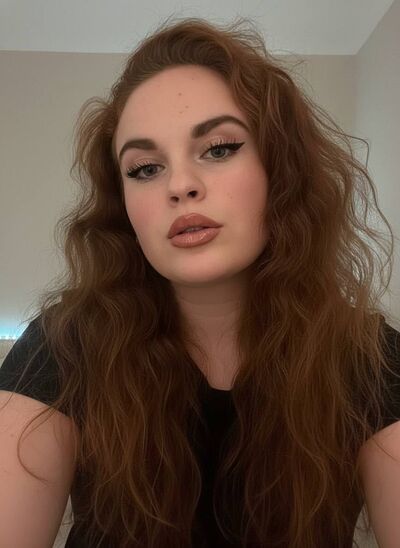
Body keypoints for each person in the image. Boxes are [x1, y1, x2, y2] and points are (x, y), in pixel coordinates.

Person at [0, 15, 399, 548]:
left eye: (219, 148)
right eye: (145, 168)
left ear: (280, 170)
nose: (181, 185)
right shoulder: (64, 347)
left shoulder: (371, 360)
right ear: (124, 207)